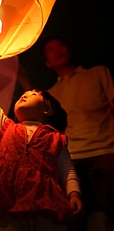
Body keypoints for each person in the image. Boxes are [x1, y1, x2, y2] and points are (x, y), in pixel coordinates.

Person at [0, 59, 83, 231]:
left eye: (34, 94)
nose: (26, 93)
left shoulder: (57, 138)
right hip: (9, 200)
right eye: (26, 93)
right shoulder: (7, 128)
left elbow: (67, 170)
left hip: (47, 203)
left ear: (48, 111)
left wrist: (74, 194)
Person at [40, 35, 114, 231]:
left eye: (61, 46)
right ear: (47, 63)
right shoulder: (51, 93)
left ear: (70, 50)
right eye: (51, 50)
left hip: (106, 153)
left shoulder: (99, 73)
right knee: (75, 217)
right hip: (72, 160)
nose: (57, 50)